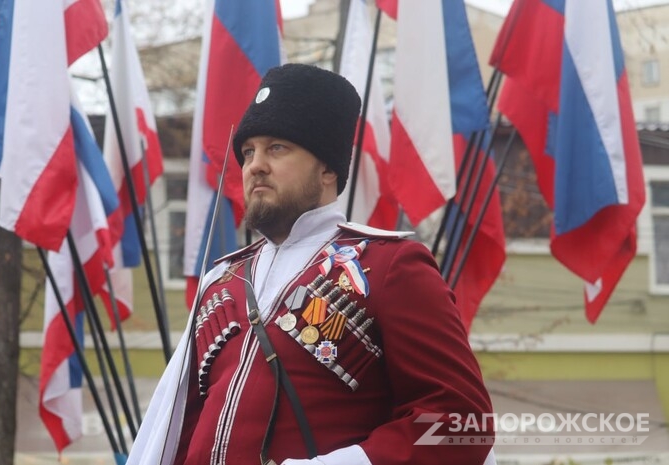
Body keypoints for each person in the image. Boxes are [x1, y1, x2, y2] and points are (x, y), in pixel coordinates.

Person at [128, 63, 496, 464]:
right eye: (249, 151)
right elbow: (177, 430)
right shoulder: (222, 280)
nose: (255, 165)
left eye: (277, 148)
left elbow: (462, 424)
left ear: (327, 169)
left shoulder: (389, 266)